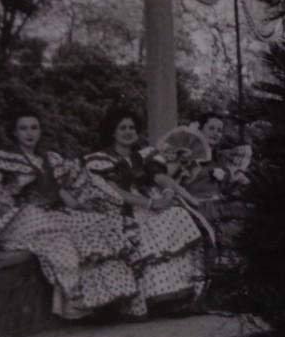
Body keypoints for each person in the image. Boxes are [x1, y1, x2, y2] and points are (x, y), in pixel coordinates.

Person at [0, 106, 139, 319]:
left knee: (101, 226)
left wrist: (86, 204)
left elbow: (71, 187)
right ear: (14, 132)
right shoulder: (3, 159)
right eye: (23, 128)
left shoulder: (51, 159)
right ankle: (76, 299)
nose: (30, 133)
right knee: (60, 239)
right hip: (26, 216)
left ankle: (106, 300)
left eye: (34, 128)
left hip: (57, 212)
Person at [82, 108, 208, 314]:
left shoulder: (143, 155)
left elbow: (160, 179)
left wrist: (170, 194)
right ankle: (155, 298)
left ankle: (181, 295)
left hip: (151, 201)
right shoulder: (103, 159)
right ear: (112, 132)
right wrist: (151, 204)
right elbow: (119, 193)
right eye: (122, 128)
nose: (128, 132)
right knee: (150, 230)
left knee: (178, 215)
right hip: (124, 209)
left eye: (131, 127)